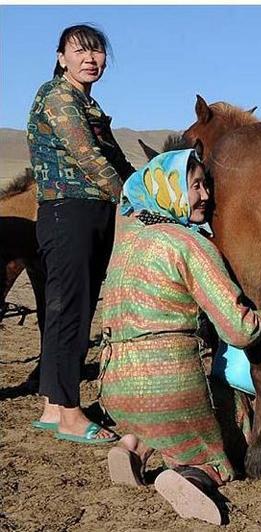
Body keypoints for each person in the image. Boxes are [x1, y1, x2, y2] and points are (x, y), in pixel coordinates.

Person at [99, 148, 261, 525]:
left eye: (206, 185)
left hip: (113, 385)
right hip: (170, 385)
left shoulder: (127, 244)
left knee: (159, 413)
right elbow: (238, 329)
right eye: (196, 186)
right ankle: (194, 474)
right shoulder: (188, 244)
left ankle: (134, 445)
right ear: (168, 190)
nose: (206, 196)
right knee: (228, 429)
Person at [28, 25, 136, 442]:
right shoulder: (58, 96)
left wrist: (153, 188)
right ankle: (71, 414)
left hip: (90, 214)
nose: (91, 58)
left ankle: (54, 407)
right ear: (61, 58)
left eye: (98, 52)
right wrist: (133, 200)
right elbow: (89, 158)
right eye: (81, 51)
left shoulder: (88, 103)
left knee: (69, 310)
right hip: (68, 212)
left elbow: (119, 161)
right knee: (70, 312)